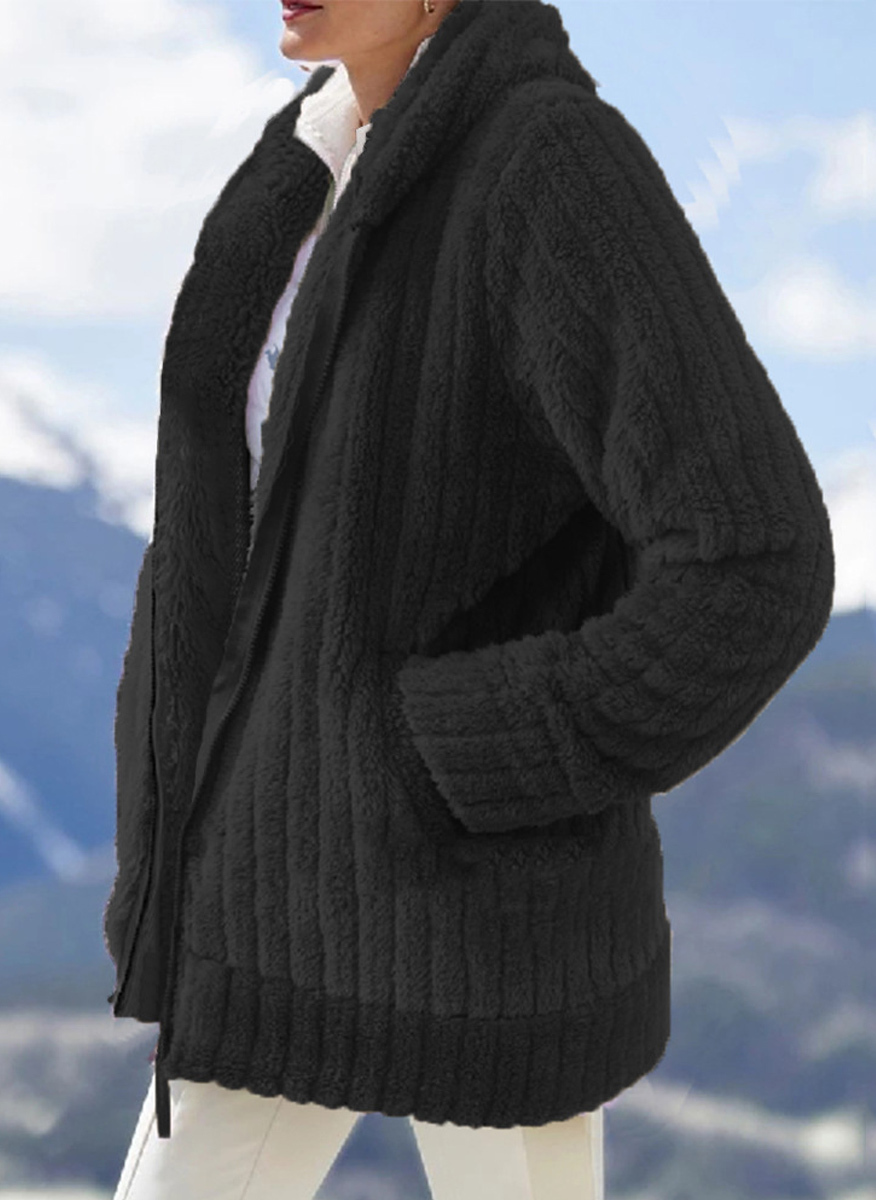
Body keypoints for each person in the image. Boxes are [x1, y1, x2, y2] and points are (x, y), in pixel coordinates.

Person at [103, 0, 836, 1197]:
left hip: (488, 946)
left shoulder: (550, 167)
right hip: (259, 922)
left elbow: (757, 559)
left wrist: (459, 753)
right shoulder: (294, 178)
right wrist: (171, 861)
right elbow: (214, 558)